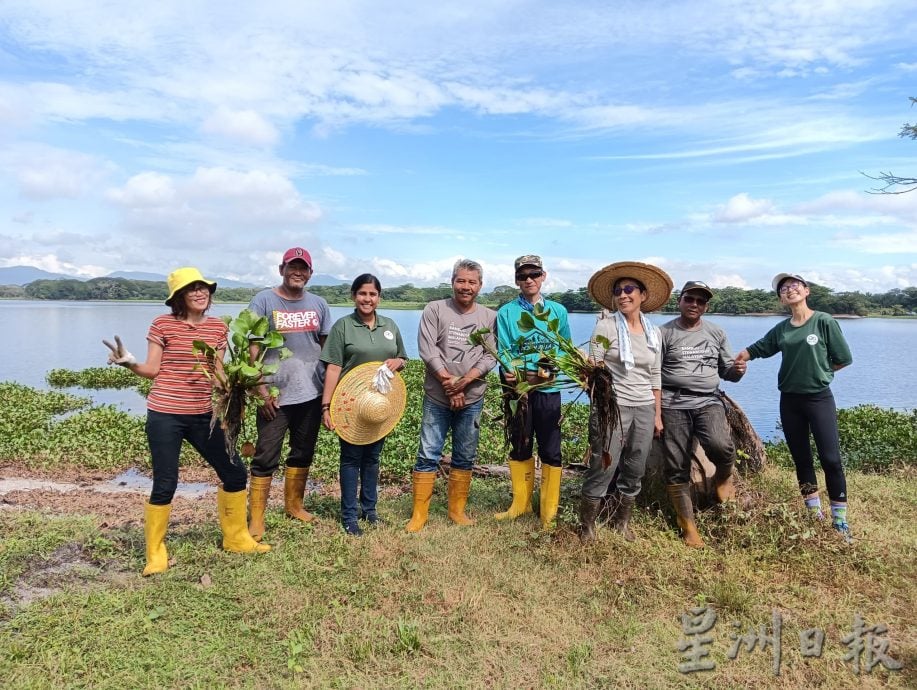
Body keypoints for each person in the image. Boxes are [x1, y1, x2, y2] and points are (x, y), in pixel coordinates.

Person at [103, 267, 269, 576]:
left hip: (203, 415)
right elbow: (152, 369)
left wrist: (238, 390)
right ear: (178, 296)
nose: (199, 292)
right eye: (191, 289)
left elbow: (218, 373)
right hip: (165, 413)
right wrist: (130, 363)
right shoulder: (163, 324)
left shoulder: (218, 329)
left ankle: (236, 538)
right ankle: (155, 553)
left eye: (203, 288)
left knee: (234, 472)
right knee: (166, 483)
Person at [735, 273, 854, 542]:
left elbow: (843, 358)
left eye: (793, 286)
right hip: (789, 400)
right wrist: (738, 358)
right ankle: (814, 516)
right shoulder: (783, 329)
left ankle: (840, 522)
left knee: (831, 460)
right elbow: (760, 347)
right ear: (780, 298)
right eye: (783, 289)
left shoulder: (823, 321)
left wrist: (822, 373)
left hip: (819, 398)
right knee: (802, 460)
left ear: (806, 290)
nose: (789, 290)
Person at [579, 261, 672, 543]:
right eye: (618, 291)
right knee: (603, 464)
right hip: (613, 408)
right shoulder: (605, 328)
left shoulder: (653, 333)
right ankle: (587, 527)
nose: (623, 295)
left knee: (635, 467)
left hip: (644, 406)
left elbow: (654, 376)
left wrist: (657, 415)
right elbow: (593, 371)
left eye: (629, 289)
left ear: (642, 295)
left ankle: (621, 523)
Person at [246, 247, 332, 541]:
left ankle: (294, 506)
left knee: (302, 451)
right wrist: (260, 389)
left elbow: (325, 346)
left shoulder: (319, 304)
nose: (298, 272)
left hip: (310, 392)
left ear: (310, 273)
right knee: (265, 455)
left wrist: (327, 392)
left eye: (303, 268)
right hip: (274, 394)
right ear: (281, 268)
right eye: (292, 267)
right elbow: (252, 349)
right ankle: (256, 519)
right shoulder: (263, 300)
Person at [406, 259, 497, 532]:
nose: (465, 287)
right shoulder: (435, 309)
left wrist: (464, 383)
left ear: (480, 286)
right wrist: (449, 383)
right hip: (437, 396)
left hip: (472, 397)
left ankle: (456, 510)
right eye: (461, 280)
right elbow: (427, 349)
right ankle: (419, 514)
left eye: (471, 282)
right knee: (427, 453)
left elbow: (489, 356)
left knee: (465, 455)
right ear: (452, 282)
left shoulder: (489, 317)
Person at [659, 280, 746, 548]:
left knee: (721, 446)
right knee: (676, 465)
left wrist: (737, 371)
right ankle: (688, 527)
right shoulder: (664, 333)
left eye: (701, 301)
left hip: (708, 401)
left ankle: (722, 478)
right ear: (680, 301)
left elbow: (727, 372)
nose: (694, 304)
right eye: (689, 299)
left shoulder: (716, 332)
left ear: (706, 306)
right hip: (672, 402)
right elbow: (652, 373)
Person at [320, 274, 408, 536]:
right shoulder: (343, 327)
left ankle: (369, 510)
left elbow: (402, 356)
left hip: (379, 403)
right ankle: (349, 515)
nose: (367, 299)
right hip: (350, 403)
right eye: (362, 293)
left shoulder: (389, 325)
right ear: (353, 296)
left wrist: (398, 362)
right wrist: (326, 406)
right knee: (350, 459)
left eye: (372, 294)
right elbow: (333, 368)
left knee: (372, 458)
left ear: (379, 297)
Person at [494, 255, 570, 529]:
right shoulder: (506, 313)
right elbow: (504, 350)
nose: (528, 280)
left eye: (533, 274)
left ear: (543, 275)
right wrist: (515, 373)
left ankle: (548, 510)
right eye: (522, 276)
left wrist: (544, 369)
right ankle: (520, 504)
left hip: (549, 388)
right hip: (519, 391)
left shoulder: (558, 311)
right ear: (516, 280)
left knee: (551, 448)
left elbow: (564, 348)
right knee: (520, 443)